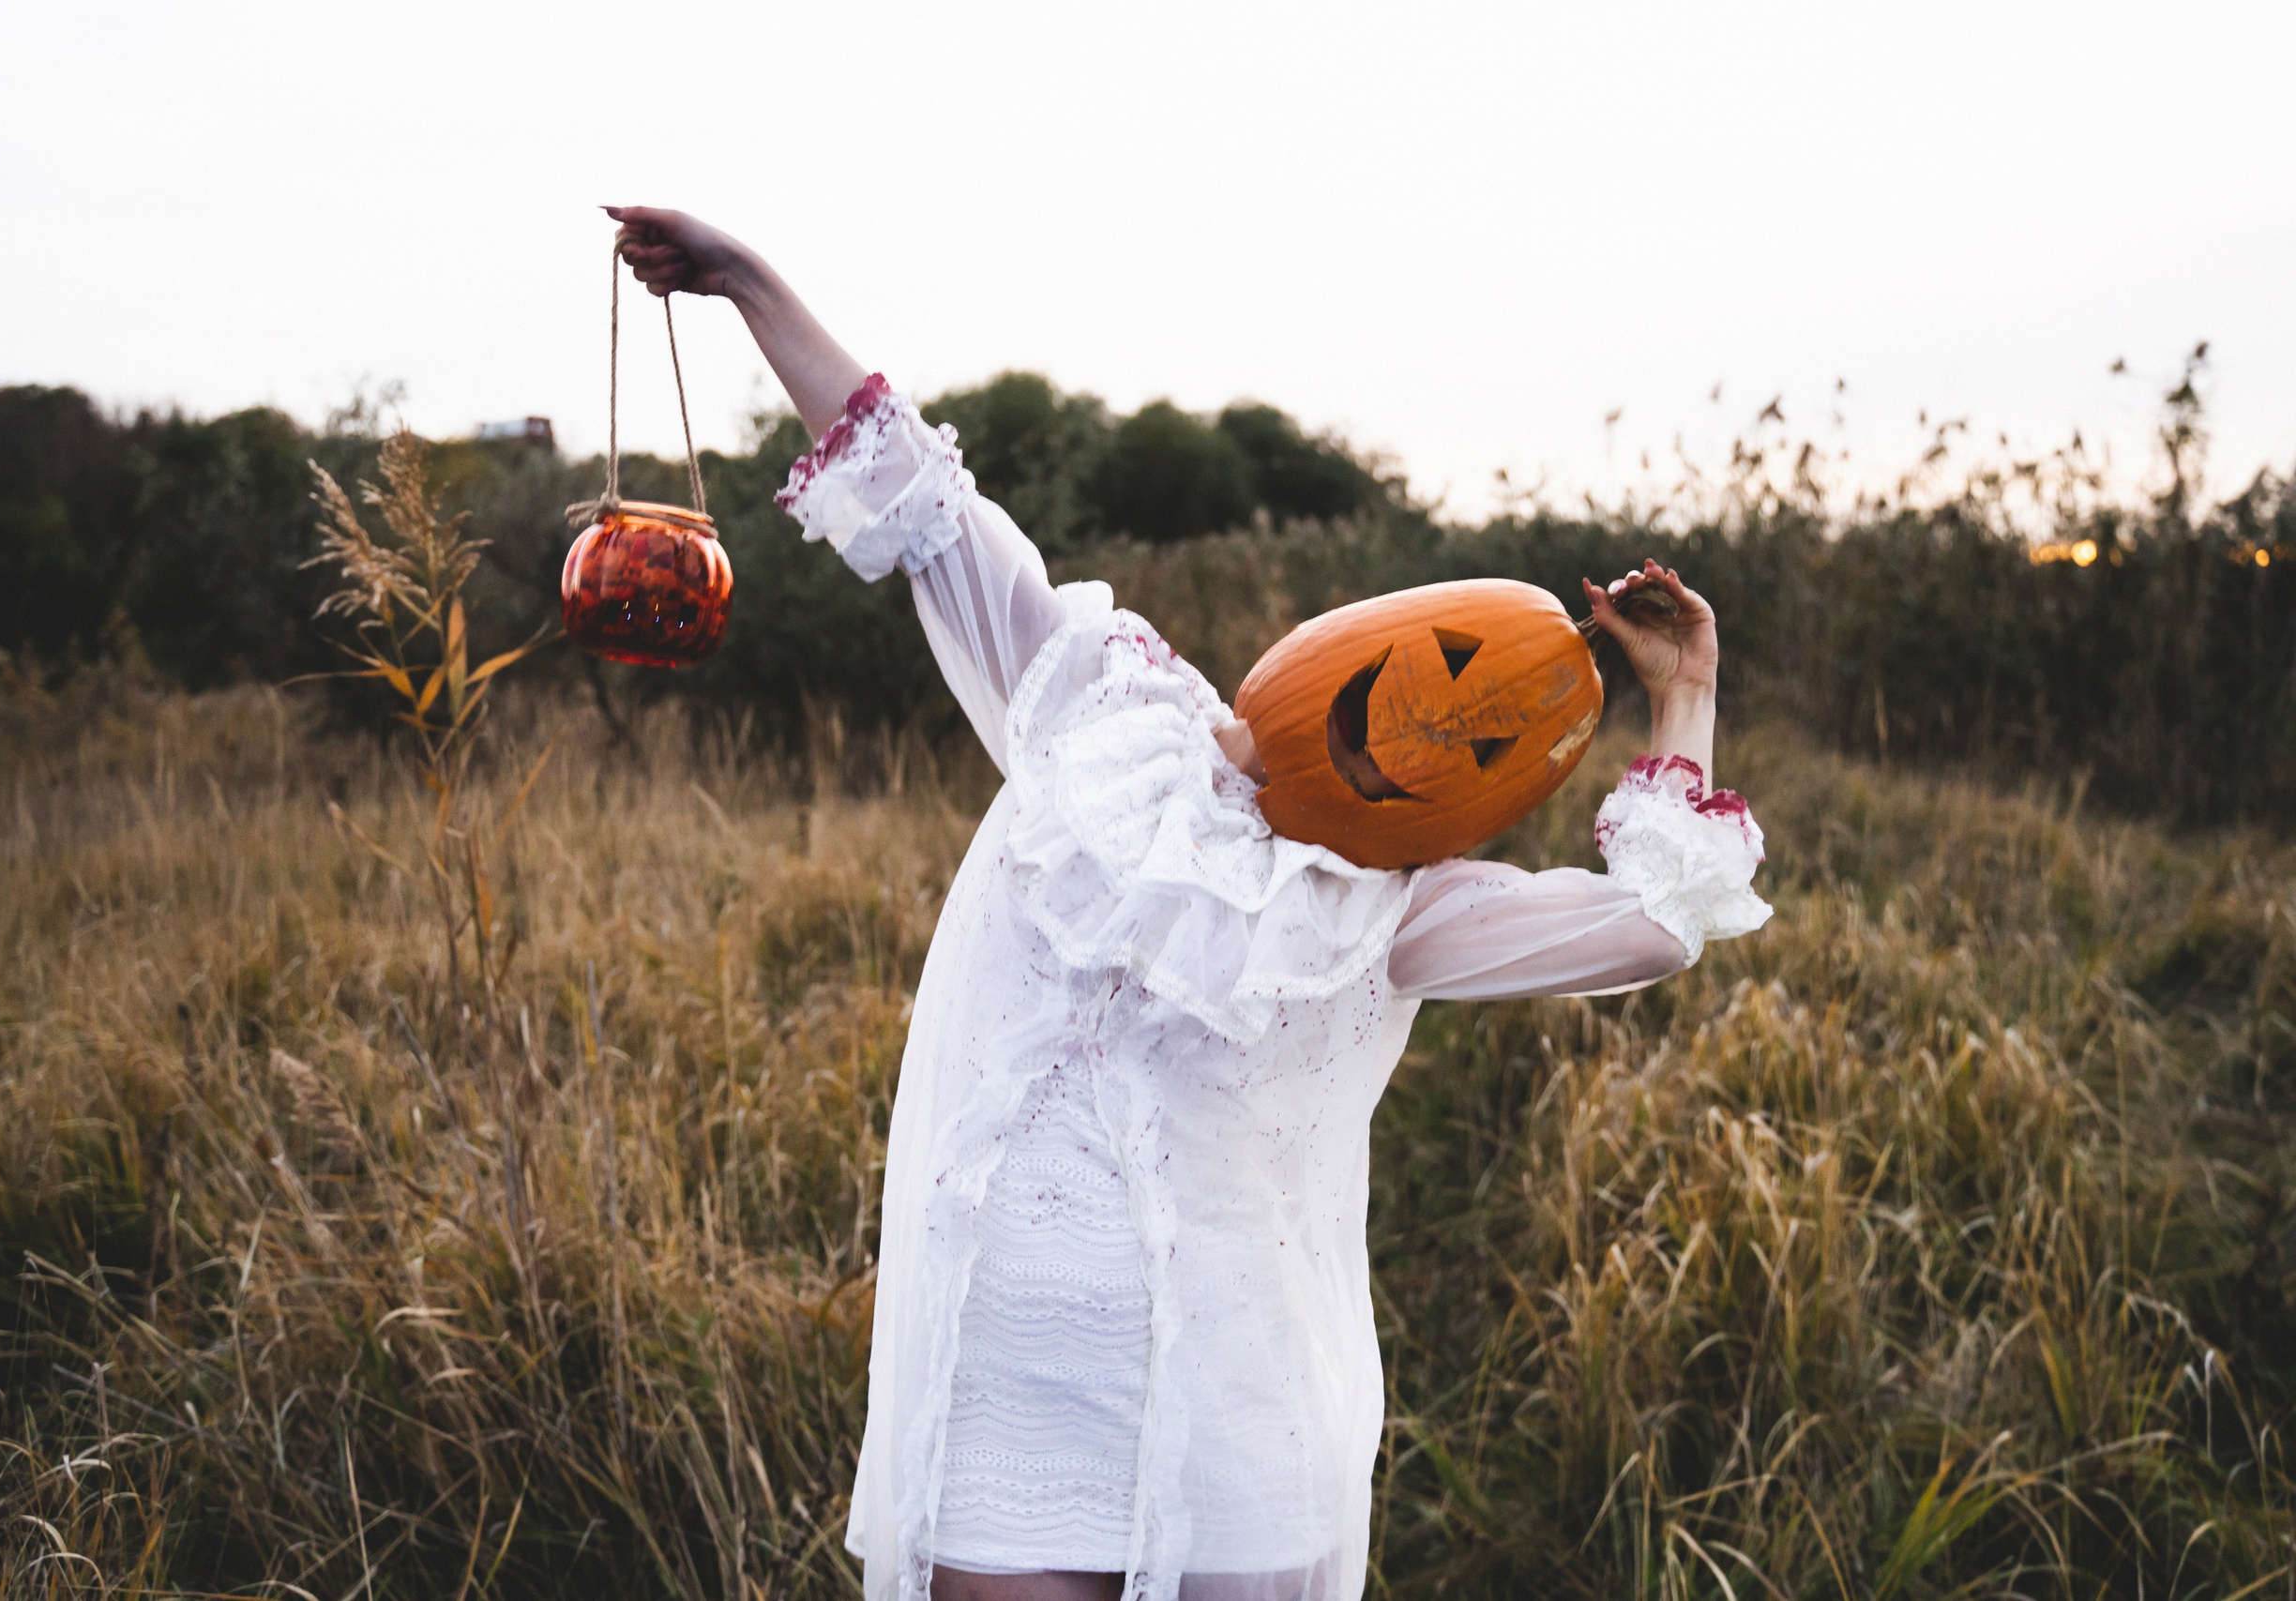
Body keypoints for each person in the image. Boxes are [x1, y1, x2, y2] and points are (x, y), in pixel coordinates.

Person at [605, 205, 1773, 1601]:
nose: (1408, 734)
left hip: (1233, 1425)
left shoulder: (1391, 913)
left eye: (1471, 748)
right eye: (1425, 670)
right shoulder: (1097, 712)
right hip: (1011, 1400)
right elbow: (925, 512)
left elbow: (1652, 921)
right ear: (1354, 634)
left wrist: (1684, 689)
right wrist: (746, 282)